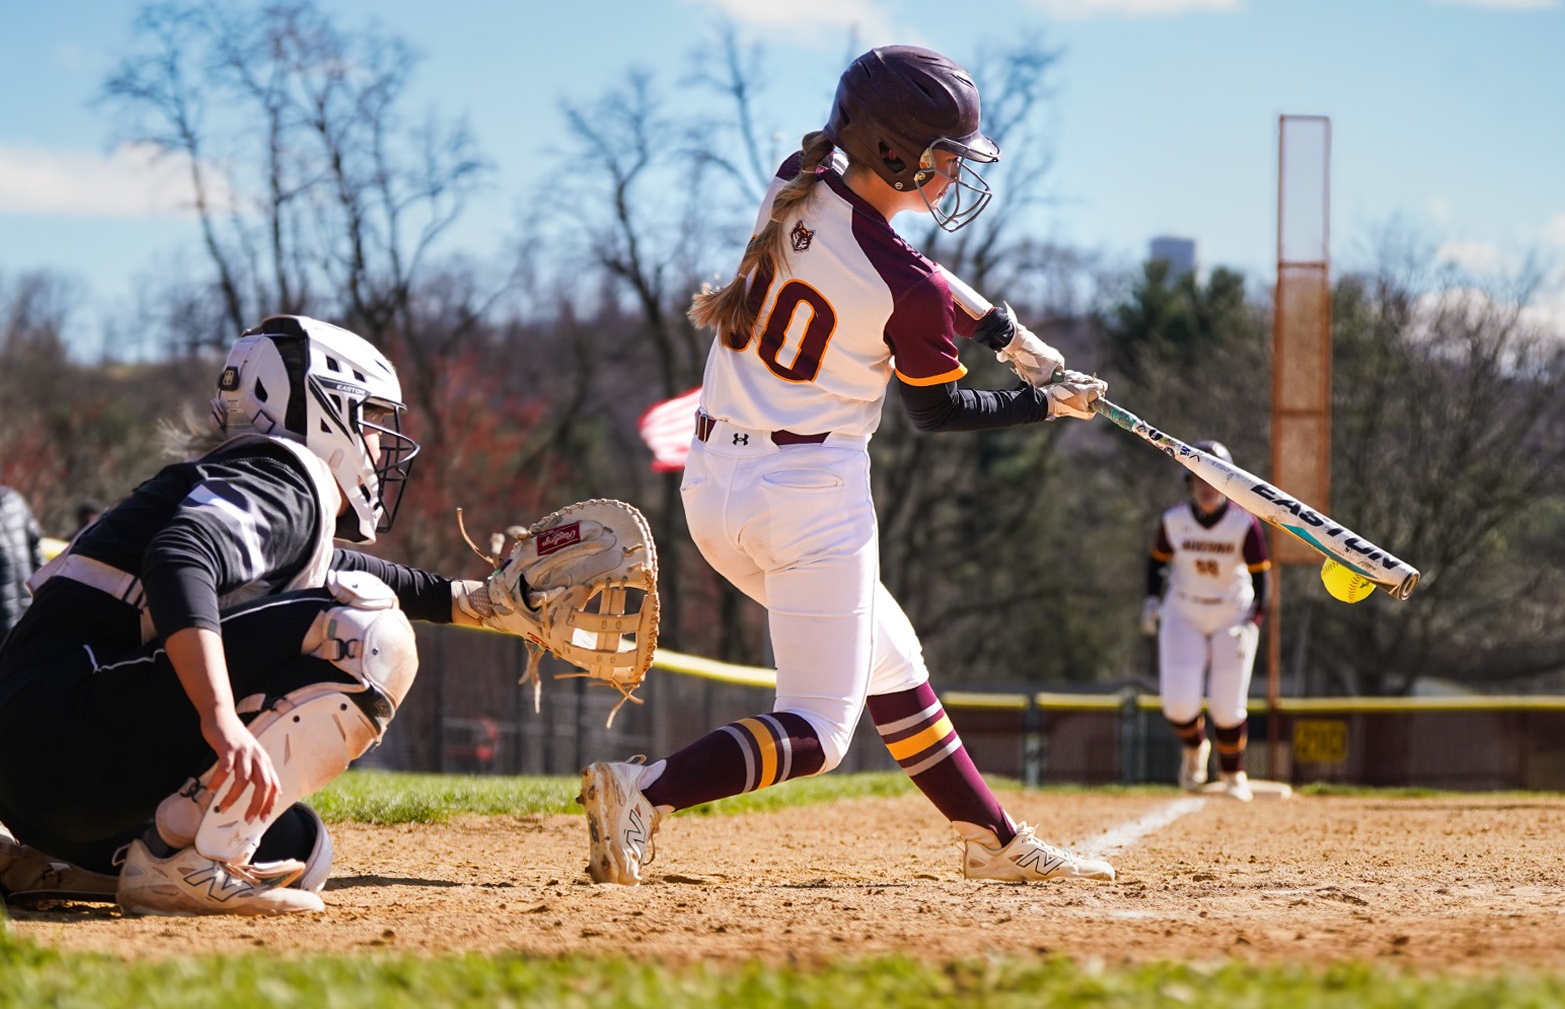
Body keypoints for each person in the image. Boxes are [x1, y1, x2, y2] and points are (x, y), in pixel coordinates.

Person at [578, 45, 1114, 885]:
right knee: (822, 731)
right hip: (809, 497)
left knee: (893, 659)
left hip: (716, 487)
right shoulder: (910, 289)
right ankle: (645, 790)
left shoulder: (797, 181)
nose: (951, 175)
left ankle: (994, 841)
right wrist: (1044, 401)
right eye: (941, 158)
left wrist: (1005, 336)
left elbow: (903, 262)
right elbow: (938, 410)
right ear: (897, 154)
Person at [0, 315, 508, 914]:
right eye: (370, 422)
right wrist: (219, 719)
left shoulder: (248, 478)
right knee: (371, 633)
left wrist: (483, 603)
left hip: (38, 769)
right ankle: (181, 863)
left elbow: (343, 570)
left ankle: (56, 861)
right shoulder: (289, 474)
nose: (378, 447)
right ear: (326, 407)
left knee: (301, 847)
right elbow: (181, 554)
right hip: (68, 734)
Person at [1141, 442, 1273, 802]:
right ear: (1188, 482)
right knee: (1179, 704)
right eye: (1199, 478)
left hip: (1233, 611)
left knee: (1227, 705)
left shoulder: (1243, 524)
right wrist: (1152, 600)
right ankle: (1195, 749)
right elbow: (1156, 563)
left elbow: (1262, 577)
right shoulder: (1174, 521)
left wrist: (1254, 620)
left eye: (1214, 479)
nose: (1206, 487)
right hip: (1184, 610)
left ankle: (1234, 774)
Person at [0, 485, 43, 639]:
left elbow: (37, 556)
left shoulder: (14, 501)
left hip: (23, 617)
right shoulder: (14, 500)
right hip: (24, 618)